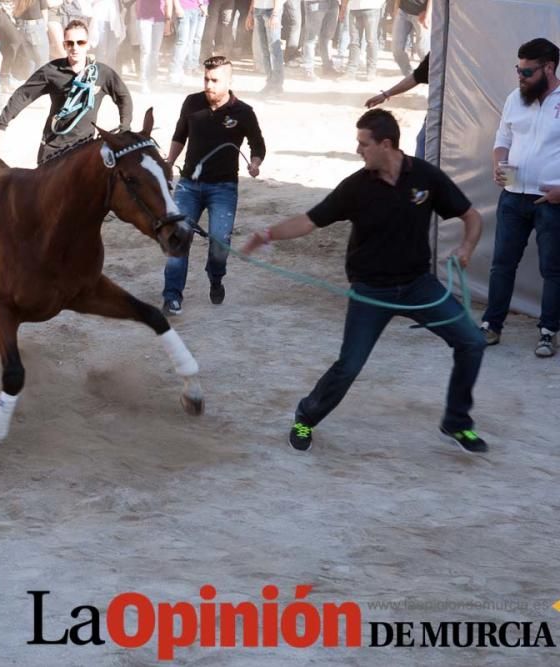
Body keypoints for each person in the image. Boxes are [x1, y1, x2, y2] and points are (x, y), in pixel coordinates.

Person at [241, 108, 489, 454]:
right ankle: (305, 416)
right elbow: (310, 221)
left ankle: (457, 422)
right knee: (350, 365)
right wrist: (267, 234)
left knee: (472, 343)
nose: (358, 151)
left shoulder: (425, 178)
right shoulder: (356, 188)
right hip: (372, 291)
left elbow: (470, 216)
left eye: (363, 144)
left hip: (419, 286)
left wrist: (466, 247)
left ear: (386, 145)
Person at [161, 55, 265, 316]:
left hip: (223, 188)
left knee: (219, 244)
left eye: (215, 80)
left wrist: (255, 163)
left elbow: (257, 143)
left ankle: (216, 276)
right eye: (206, 79)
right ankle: (172, 296)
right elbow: (179, 134)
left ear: (228, 81)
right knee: (178, 238)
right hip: (189, 185)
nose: (209, 85)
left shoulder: (243, 112)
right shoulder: (192, 103)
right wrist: (169, 162)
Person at [480, 37, 560, 358]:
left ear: (549, 68)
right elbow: (503, 139)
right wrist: (498, 165)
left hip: (551, 202)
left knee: (552, 270)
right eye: (518, 69)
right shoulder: (516, 98)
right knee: (502, 265)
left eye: (527, 72)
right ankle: (491, 325)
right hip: (512, 198)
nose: (520, 77)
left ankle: (548, 330)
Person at [0, 18, 132, 163]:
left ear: (88, 44)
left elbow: (123, 96)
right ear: (64, 45)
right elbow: (23, 95)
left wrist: (125, 127)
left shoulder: (102, 73)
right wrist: (2, 125)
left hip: (85, 147)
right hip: (54, 147)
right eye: (70, 43)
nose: (75, 47)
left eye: (80, 42)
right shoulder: (51, 71)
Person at [364, 51, 427, 158]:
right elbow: (416, 77)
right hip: (442, 112)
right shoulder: (440, 49)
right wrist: (385, 94)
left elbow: (415, 78)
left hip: (450, 113)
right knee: (423, 141)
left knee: (424, 142)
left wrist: (386, 94)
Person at [246, 0, 283, 94]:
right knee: (264, 49)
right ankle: (270, 82)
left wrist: (275, 14)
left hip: (271, 10)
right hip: (258, 10)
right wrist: (250, 13)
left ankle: (277, 85)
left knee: (274, 49)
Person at [390, 0, 428, 77]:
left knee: (422, 49)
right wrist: (396, 8)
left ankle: (429, 74)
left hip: (422, 12)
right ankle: (409, 75)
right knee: (396, 49)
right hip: (403, 11)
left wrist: (428, 13)